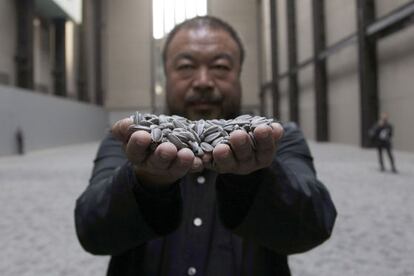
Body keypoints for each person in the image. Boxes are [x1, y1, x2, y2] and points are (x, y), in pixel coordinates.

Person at [75, 16, 336, 276]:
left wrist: (257, 177)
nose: (203, 81)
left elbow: (314, 226)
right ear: (166, 75)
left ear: (239, 75)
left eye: (220, 67)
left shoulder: (279, 138)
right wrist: (145, 183)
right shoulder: (129, 140)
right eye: (186, 66)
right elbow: (92, 232)